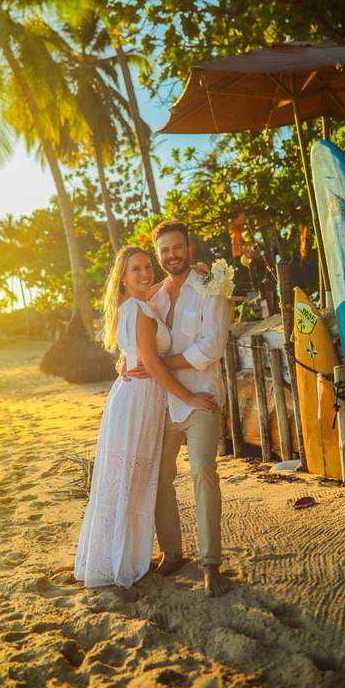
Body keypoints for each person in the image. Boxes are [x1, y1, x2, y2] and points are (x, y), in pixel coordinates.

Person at [74, 246, 220, 589]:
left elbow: (157, 293)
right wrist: (190, 397)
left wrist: (195, 271)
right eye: (135, 270)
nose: (144, 274)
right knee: (130, 481)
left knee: (128, 480)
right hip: (139, 400)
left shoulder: (136, 304)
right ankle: (117, 561)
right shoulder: (140, 310)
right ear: (122, 279)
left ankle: (110, 557)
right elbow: (151, 364)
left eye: (146, 267)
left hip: (133, 399)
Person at [123, 219, 232, 597]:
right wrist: (129, 363)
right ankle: (173, 553)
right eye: (164, 251)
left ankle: (211, 563)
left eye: (177, 248)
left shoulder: (210, 287)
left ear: (190, 248)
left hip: (200, 397)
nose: (172, 255)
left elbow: (211, 347)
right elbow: (132, 337)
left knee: (202, 469)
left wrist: (156, 364)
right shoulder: (153, 297)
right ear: (158, 255)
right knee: (157, 478)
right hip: (160, 402)